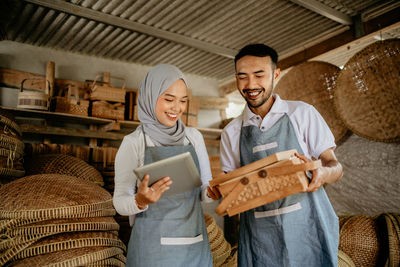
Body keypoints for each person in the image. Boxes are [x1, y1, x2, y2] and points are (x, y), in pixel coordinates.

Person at [219, 44, 343, 267]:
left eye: (259, 75)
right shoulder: (232, 132)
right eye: (242, 76)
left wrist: (322, 173)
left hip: (309, 230)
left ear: (275, 75)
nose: (251, 85)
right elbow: (232, 189)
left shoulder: (302, 113)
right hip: (259, 240)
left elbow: (336, 166)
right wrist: (219, 190)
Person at [113, 64, 215, 266]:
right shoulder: (134, 143)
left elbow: (206, 191)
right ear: (150, 97)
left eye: (183, 101)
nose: (177, 108)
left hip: (193, 246)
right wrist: (139, 201)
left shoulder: (193, 138)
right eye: (169, 99)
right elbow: (119, 202)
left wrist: (217, 191)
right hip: (151, 251)